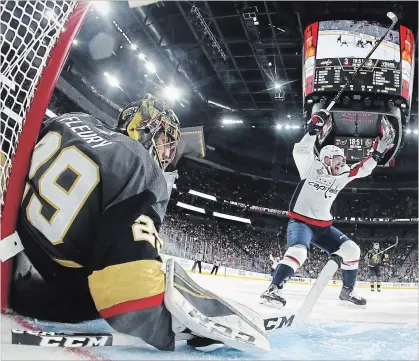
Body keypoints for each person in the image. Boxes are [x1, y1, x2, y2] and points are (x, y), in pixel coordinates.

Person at [10, 94, 267, 353]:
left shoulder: (72, 120)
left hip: (12, 261)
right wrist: (179, 328)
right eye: (166, 141)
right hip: (41, 295)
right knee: (162, 277)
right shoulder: (142, 166)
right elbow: (130, 297)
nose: (167, 153)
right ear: (147, 130)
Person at [260, 109, 394, 308]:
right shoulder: (310, 168)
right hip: (301, 222)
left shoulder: (344, 173)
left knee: (352, 250)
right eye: (337, 158)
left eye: (342, 158)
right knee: (299, 251)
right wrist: (313, 129)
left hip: (323, 227)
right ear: (326, 160)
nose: (342, 161)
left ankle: (347, 292)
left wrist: (377, 153)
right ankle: (273, 289)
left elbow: (363, 168)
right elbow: (301, 150)